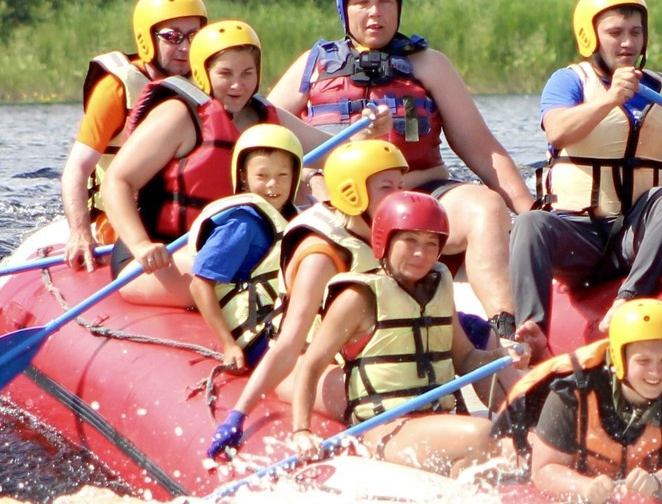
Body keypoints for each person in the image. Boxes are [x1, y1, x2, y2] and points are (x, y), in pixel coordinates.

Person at [270, 0, 536, 321]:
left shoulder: (429, 65)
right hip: (341, 207)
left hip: (422, 196)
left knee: (486, 207)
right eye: (362, 3)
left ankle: (506, 327)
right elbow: (266, 135)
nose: (375, 12)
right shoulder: (312, 66)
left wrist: (530, 212)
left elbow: (482, 148)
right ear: (343, 10)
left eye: (385, 2)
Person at [507, 0, 662, 363]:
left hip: (634, 240)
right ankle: (533, 333)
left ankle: (629, 298)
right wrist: (610, 99)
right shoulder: (569, 81)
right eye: (615, 33)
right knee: (529, 223)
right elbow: (557, 130)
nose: (627, 43)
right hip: (579, 240)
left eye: (635, 32)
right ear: (591, 37)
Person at [207, 136, 414, 457]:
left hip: (371, 355)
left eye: (402, 186)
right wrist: (239, 414)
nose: (400, 198)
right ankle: (393, 450)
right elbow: (288, 345)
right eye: (388, 188)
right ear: (352, 193)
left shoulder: (391, 236)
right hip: (306, 367)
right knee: (383, 394)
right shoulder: (322, 256)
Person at [101, 20, 322, 309]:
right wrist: (141, 244)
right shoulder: (179, 116)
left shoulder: (265, 115)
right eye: (225, 73)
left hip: (233, 248)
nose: (237, 84)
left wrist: (369, 131)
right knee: (227, 273)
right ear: (203, 73)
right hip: (161, 254)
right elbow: (116, 181)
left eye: (247, 73)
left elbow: (332, 148)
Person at [286, 191, 506, 473]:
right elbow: (312, 364)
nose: (420, 253)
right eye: (410, 241)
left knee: (517, 440)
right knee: (485, 434)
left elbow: (465, 358)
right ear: (384, 241)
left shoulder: (438, 287)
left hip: (437, 419)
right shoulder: (358, 298)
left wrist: (503, 355)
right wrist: (301, 430)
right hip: (386, 428)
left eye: (430, 244)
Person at [497, 297, 662, 504]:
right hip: (555, 461)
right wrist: (584, 488)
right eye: (643, 360)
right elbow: (544, 470)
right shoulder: (574, 386)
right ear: (619, 359)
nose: (656, 372)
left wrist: (658, 482)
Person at [59, 0, 205, 270]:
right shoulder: (116, 88)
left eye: (193, 36)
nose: (185, 47)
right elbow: (76, 169)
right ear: (147, 39)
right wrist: (80, 232)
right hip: (119, 221)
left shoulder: (211, 84)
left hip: (183, 214)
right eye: (172, 37)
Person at [182, 124, 305, 376]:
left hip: (287, 323)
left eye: (283, 175)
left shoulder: (294, 218)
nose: (273, 185)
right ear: (243, 176)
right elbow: (200, 284)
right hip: (259, 333)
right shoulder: (241, 224)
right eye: (262, 176)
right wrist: (228, 345)